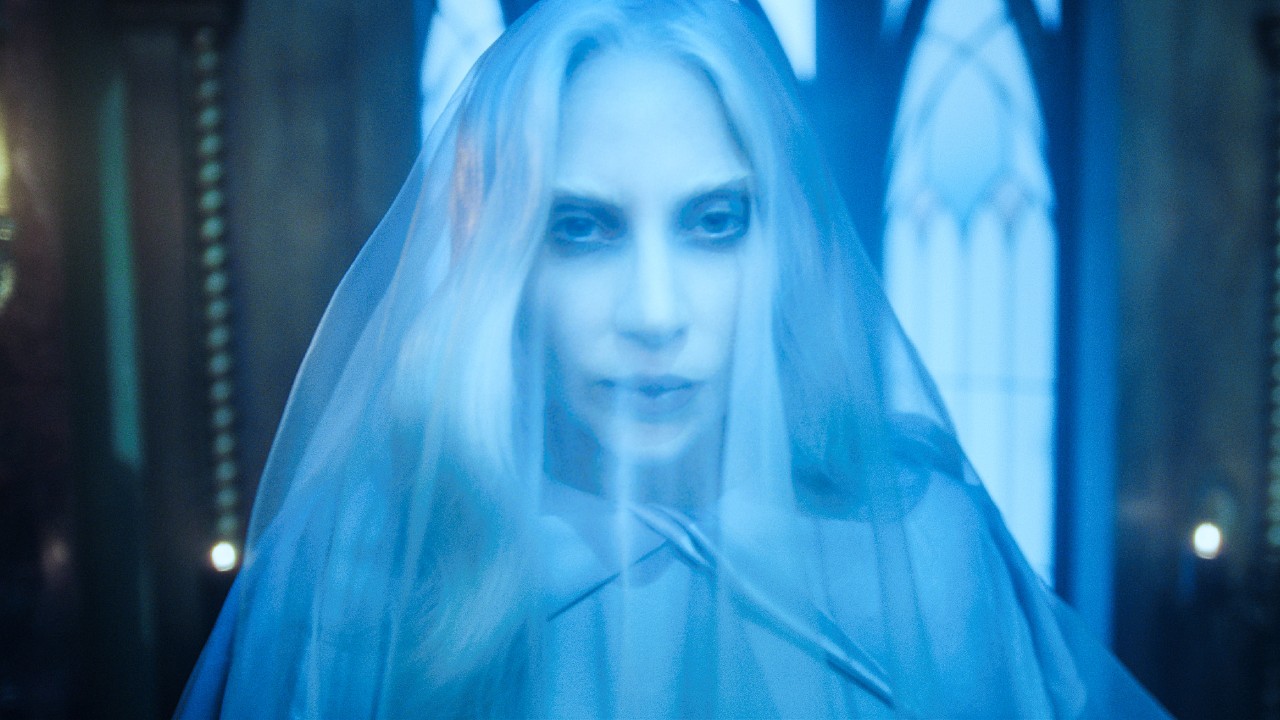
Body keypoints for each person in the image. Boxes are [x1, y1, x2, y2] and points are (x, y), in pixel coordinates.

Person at [176, 0, 1172, 717]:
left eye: (713, 221)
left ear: (781, 244)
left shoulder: (927, 546)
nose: (654, 313)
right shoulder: (354, 576)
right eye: (580, 227)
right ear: (502, 258)